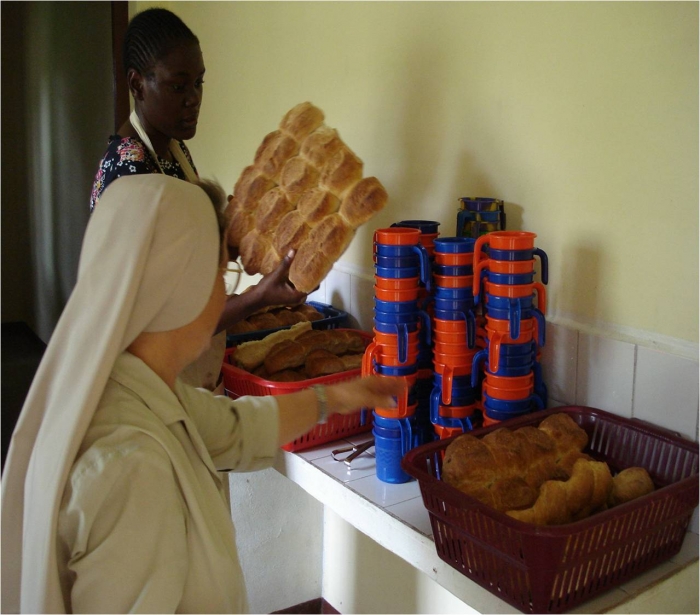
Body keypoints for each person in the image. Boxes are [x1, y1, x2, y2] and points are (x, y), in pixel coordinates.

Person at [0, 174, 405, 613]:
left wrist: (339, 399)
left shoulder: (134, 387)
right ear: (182, 286)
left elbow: (235, 427)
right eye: (221, 273)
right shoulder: (131, 467)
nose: (224, 292)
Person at [89, 7, 306, 390]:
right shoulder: (131, 174)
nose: (193, 99)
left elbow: (188, 262)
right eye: (178, 86)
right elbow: (164, 318)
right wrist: (257, 298)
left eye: (199, 83)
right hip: (146, 387)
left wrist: (244, 234)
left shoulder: (173, 151)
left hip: (189, 374)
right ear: (137, 85)